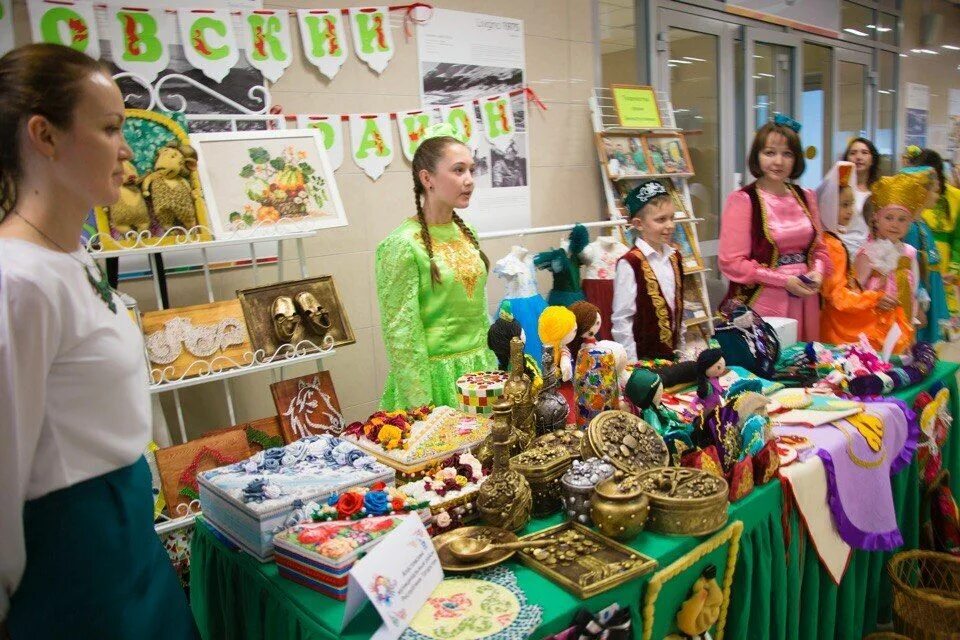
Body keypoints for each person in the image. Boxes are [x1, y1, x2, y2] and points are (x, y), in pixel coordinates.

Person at [0, 44, 196, 637]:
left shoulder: (73, 257)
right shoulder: (17, 281)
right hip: (72, 558)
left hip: (125, 538)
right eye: (110, 128)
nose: (126, 151)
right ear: (46, 135)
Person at [375, 124, 497, 410]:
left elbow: (479, 311)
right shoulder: (401, 245)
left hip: (480, 376)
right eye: (458, 170)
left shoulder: (468, 233)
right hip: (435, 381)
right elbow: (402, 333)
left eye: (471, 170)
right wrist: (421, 404)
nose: (469, 180)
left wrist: (491, 362)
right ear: (427, 178)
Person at [718, 117, 829, 341]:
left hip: (806, 296)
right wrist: (783, 281)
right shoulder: (743, 199)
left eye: (787, 154)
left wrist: (818, 272)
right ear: (757, 157)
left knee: (804, 365)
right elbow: (731, 262)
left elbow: (820, 249)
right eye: (769, 153)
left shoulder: (806, 196)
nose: (778, 161)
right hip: (766, 298)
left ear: (796, 158)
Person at [817, 161, 904, 350]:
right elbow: (837, 296)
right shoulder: (832, 244)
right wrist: (873, 299)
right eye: (844, 205)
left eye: (851, 204)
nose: (850, 211)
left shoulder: (830, 239)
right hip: (836, 322)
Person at [853, 170, 934, 350]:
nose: (895, 224)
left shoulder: (910, 253)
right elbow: (855, 291)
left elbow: (914, 287)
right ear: (876, 218)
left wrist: (916, 311)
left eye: (902, 219)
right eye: (889, 218)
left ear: (909, 223)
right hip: (875, 324)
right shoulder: (867, 253)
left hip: (903, 322)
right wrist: (874, 300)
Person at [611, 180, 684, 361]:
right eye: (661, 219)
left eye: (671, 218)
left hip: (673, 359)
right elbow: (622, 321)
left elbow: (678, 311)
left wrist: (681, 351)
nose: (670, 225)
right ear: (639, 224)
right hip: (644, 363)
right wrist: (631, 365)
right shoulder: (630, 264)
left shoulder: (675, 258)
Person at [905, 147, 960, 314]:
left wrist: (954, 269)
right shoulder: (910, 220)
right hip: (920, 279)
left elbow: (958, 238)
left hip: (942, 273)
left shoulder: (955, 198)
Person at [841, 137, 881, 253]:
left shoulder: (879, 191)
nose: (858, 157)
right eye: (853, 153)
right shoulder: (839, 189)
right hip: (842, 251)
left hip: (869, 254)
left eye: (864, 153)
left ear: (872, 159)